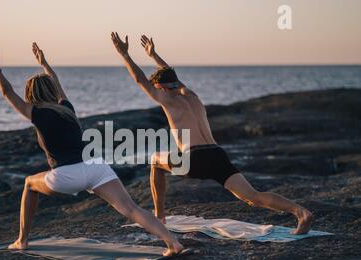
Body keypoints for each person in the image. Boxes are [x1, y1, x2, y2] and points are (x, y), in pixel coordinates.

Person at [0, 41, 183, 255]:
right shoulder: (66, 108)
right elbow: (57, 82)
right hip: (96, 168)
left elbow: (7, 92)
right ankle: (173, 243)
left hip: (66, 175)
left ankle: (22, 240)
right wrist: (44, 63)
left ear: (31, 95)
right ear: (51, 91)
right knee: (132, 209)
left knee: (29, 184)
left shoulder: (35, 113)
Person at [111, 32, 313, 234]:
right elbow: (174, 78)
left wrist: (125, 55)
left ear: (161, 87)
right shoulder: (193, 97)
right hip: (217, 155)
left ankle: (159, 217)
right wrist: (153, 56)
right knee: (253, 197)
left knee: (156, 161)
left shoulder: (167, 99)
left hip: (194, 159)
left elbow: (139, 80)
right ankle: (301, 213)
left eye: (156, 87)